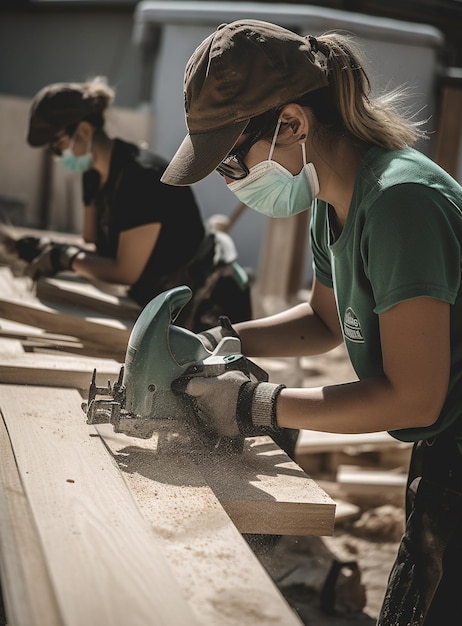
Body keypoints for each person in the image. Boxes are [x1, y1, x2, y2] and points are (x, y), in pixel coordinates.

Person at [162, 19, 462, 625]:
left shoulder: (402, 200)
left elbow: (414, 398)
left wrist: (256, 404)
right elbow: (326, 320)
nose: (231, 183)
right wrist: (222, 340)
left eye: (230, 163)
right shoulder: (335, 201)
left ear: (292, 123)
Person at [14, 77, 252, 332]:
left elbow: (124, 271)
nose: (58, 157)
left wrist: (63, 258)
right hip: (158, 298)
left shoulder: (140, 177)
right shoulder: (92, 176)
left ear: (83, 131)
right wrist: (49, 248)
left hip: (204, 306)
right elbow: (92, 243)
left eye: (58, 146)